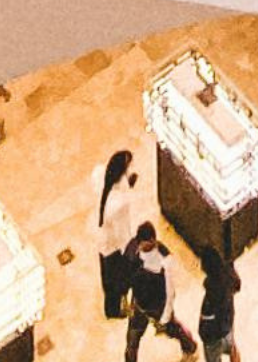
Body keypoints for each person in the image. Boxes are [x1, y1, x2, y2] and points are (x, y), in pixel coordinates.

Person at [120, 226, 192, 362]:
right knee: (132, 341)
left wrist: (164, 318)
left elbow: (170, 292)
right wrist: (124, 296)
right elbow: (126, 273)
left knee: (172, 330)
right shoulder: (133, 247)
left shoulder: (165, 260)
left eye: (143, 243)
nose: (140, 247)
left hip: (157, 306)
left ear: (153, 240)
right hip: (138, 304)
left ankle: (189, 347)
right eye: (139, 242)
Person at [93, 152, 140, 319]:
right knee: (116, 280)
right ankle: (114, 310)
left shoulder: (99, 174)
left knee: (107, 277)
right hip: (112, 245)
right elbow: (123, 236)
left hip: (101, 238)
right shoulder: (119, 204)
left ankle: (111, 307)